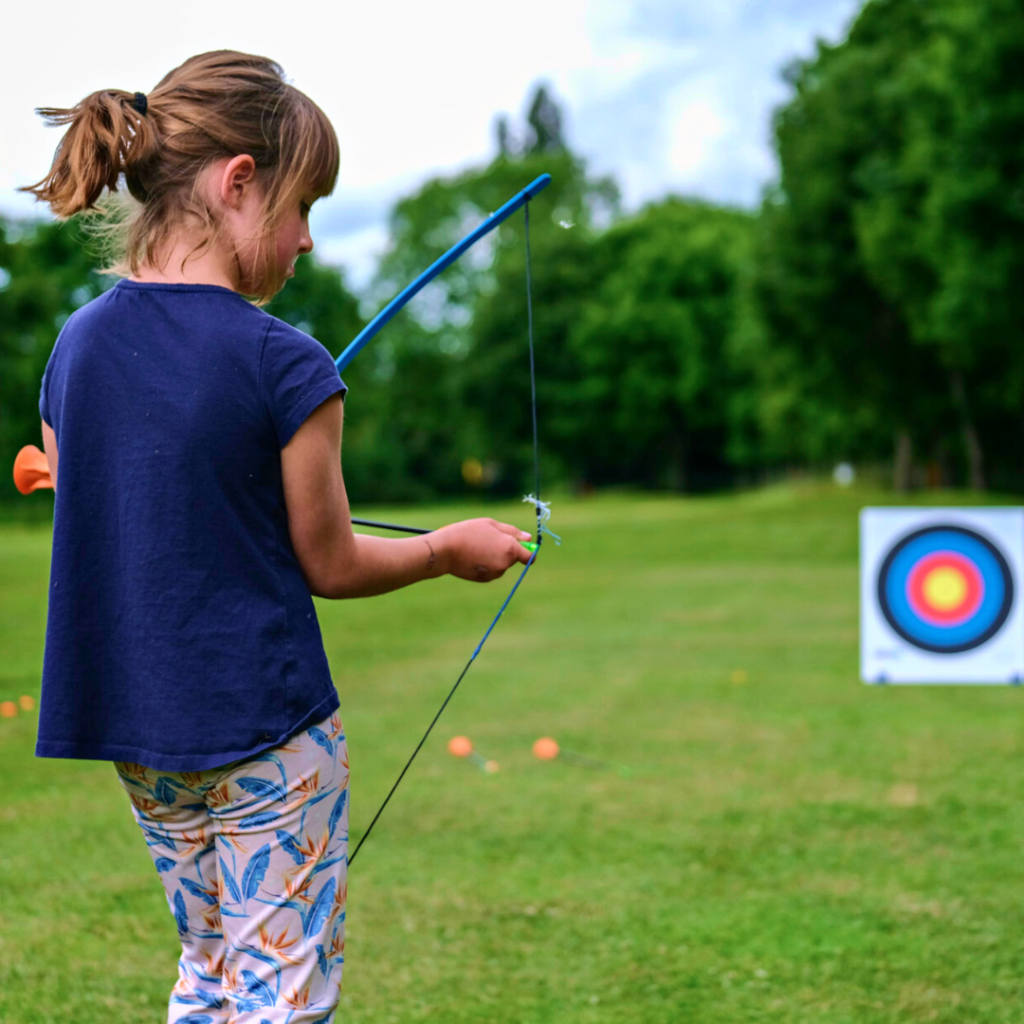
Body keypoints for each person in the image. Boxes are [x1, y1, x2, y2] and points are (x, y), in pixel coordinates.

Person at [21, 50, 532, 1023]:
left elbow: (98, 499)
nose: (304, 241)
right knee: (278, 994)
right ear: (238, 183)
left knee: (209, 972)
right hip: (266, 728)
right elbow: (330, 562)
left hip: (143, 734)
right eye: (302, 208)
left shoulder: (73, 347)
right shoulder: (283, 361)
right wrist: (443, 547)